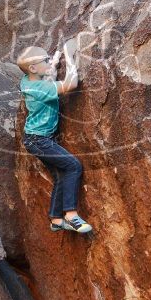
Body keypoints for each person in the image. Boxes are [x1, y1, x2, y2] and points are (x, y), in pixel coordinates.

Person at [18, 43, 93, 234]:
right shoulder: (40, 89)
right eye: (46, 60)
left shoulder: (28, 80)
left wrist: (55, 59)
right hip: (39, 140)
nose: (50, 61)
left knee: (61, 174)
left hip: (35, 139)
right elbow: (71, 84)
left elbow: (48, 76)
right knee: (73, 166)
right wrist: (69, 56)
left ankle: (56, 219)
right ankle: (71, 215)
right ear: (33, 68)